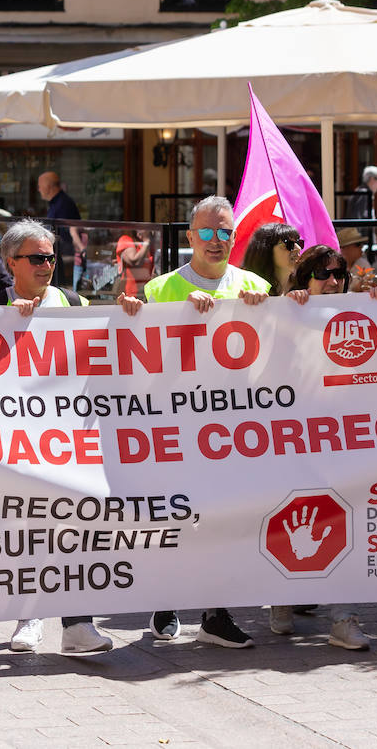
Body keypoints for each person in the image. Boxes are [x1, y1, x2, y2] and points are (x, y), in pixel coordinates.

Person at [116, 195, 268, 649]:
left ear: (235, 236)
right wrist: (133, 312)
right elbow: (134, 346)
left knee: (221, 521)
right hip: (175, 428)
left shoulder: (257, 286)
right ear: (189, 237)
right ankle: (166, 600)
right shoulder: (162, 289)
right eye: (207, 232)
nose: (216, 241)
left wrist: (281, 304)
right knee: (177, 517)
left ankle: (216, 613)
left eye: (224, 232)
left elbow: (283, 350)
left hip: (232, 431)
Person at [0, 220, 114, 654]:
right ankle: (28, 616)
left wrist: (131, 312)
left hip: (66, 439)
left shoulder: (74, 301)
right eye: (36, 258)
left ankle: (78, 625)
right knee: (24, 529)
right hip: (11, 440)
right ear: (10, 262)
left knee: (71, 529)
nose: (46, 265)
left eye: (51, 257)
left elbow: (108, 344)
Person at [270, 243, 377, 651]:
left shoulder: (358, 310)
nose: (333, 281)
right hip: (292, 440)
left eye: (339, 273)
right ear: (305, 278)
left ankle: (343, 618)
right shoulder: (286, 311)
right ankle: (281, 600)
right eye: (322, 273)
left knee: (346, 522)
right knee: (290, 517)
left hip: (342, 442)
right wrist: (287, 308)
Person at [36, 170, 86, 290]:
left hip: (64, 255)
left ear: (48, 187)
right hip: (58, 255)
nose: (38, 189)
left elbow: (67, 235)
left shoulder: (63, 204)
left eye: (40, 186)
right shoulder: (56, 203)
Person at [240, 223, 302, 295]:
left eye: (299, 243)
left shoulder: (306, 290)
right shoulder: (244, 290)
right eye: (289, 244)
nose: (298, 248)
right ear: (266, 250)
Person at [114, 229, 157, 297]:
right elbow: (135, 261)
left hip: (147, 295)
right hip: (129, 297)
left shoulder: (148, 246)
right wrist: (147, 241)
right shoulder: (125, 239)